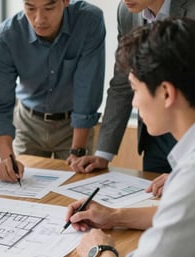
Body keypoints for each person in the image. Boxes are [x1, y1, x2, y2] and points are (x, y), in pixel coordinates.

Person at [67, 18, 195, 257]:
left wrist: (98, 250)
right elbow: (182, 217)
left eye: (136, 90)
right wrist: (115, 216)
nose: (134, 102)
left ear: (166, 93)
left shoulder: (190, 177)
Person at [70, 0, 195, 197]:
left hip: (189, 130)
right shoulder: (127, 12)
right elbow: (122, 84)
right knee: (153, 202)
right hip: (154, 136)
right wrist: (103, 153)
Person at [0, 0, 105, 183]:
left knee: (75, 189)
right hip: (28, 123)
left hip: (73, 127)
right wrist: (6, 158)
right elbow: (0, 103)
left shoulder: (88, 21)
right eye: (30, 8)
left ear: (66, 1)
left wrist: (77, 150)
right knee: (19, 187)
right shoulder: (7, 35)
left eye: (49, 8)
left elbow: (87, 88)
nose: (39, 19)